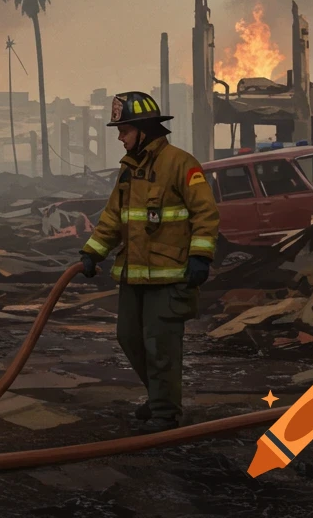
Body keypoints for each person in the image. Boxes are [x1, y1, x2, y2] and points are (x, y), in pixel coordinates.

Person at [79, 91, 220, 432]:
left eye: (124, 130)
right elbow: (114, 217)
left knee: (160, 347)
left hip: (169, 277)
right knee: (129, 338)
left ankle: (164, 412)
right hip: (133, 275)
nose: (119, 137)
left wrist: (200, 257)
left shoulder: (180, 164)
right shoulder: (129, 171)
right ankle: (160, 397)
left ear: (144, 129)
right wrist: (92, 251)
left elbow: (206, 213)